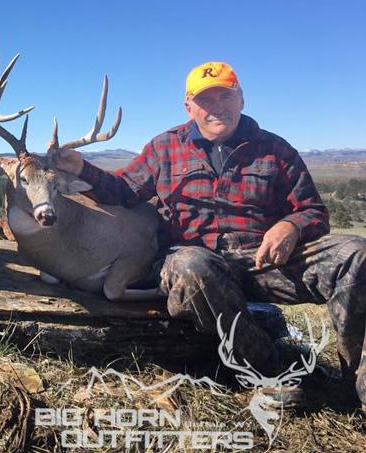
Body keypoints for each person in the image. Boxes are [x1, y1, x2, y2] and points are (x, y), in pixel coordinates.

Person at [53, 61, 365, 411]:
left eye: (225, 96)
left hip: (265, 260)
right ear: (189, 105)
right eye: (206, 100)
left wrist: (291, 226)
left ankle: (357, 384)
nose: (217, 107)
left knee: (356, 253)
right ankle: (269, 372)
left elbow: (313, 210)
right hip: (196, 265)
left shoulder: (276, 150)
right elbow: (125, 189)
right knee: (191, 265)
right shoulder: (165, 147)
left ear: (241, 99)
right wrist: (81, 168)